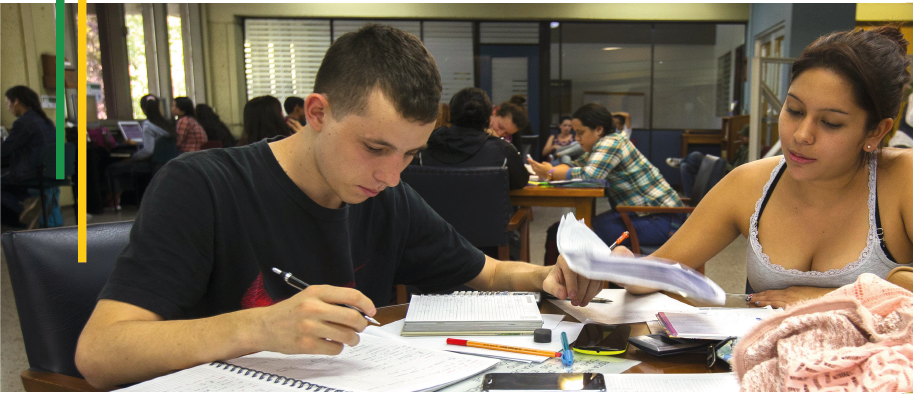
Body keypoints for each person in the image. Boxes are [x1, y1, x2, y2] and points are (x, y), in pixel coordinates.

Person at [75, 24, 604, 389]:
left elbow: (484, 270)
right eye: (375, 148)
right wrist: (258, 328)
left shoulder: (385, 194)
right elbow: (99, 355)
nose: (391, 175)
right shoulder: (202, 186)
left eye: (409, 155)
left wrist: (544, 277)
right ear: (316, 112)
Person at [616, 27, 913, 309]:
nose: (801, 134)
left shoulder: (908, 178)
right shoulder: (751, 182)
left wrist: (825, 301)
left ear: (875, 131)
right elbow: (659, 270)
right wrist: (603, 266)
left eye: (831, 123)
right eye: (793, 110)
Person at [527, 103, 684, 263]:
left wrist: (550, 172)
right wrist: (549, 169)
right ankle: (566, 284)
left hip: (661, 221)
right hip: (643, 214)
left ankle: (558, 286)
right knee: (564, 232)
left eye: (580, 132)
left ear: (599, 129)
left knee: (567, 235)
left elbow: (590, 175)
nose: (577, 138)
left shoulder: (611, 143)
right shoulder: (605, 143)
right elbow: (576, 165)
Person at [417, 87, 528, 190]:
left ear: (449, 114)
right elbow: (520, 182)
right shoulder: (503, 151)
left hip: (432, 210)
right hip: (485, 211)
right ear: (489, 119)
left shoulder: (422, 147)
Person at [104, 94, 175, 210]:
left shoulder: (147, 125)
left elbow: (148, 151)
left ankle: (113, 200)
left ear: (143, 109)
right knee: (124, 166)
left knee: (113, 168)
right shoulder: (166, 124)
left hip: (152, 163)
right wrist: (138, 144)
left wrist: (132, 157)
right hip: (164, 161)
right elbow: (156, 144)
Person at [0, 85, 56, 227]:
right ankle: (33, 203)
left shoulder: (23, 122)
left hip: (32, 171)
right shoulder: (46, 121)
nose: (8, 108)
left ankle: (29, 209)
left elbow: (5, 150)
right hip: (51, 170)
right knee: (9, 185)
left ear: (16, 101)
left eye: (8, 103)